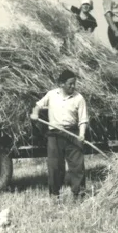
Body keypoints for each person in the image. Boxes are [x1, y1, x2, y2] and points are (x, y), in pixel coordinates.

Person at [30, 69, 88, 201]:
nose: (73, 86)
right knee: (55, 166)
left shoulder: (79, 98)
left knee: (77, 165)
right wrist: (35, 113)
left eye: (74, 83)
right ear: (61, 84)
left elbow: (83, 119)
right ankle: (54, 195)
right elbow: (38, 105)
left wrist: (82, 134)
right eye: (70, 84)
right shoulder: (51, 95)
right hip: (54, 135)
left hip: (72, 133)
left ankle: (78, 194)